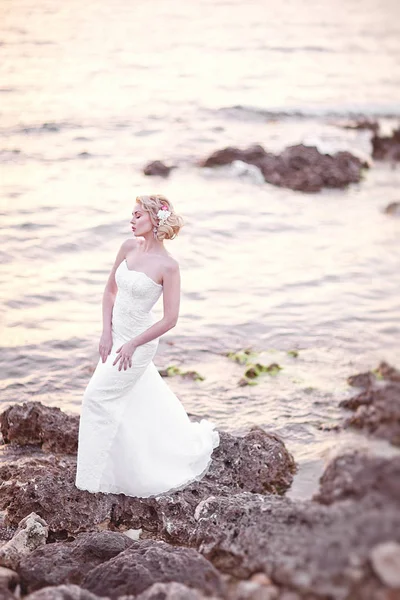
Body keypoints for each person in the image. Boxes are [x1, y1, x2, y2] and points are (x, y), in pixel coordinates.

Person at [75, 194, 220, 498]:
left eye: (138, 215)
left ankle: (90, 481)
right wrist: (105, 333)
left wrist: (132, 344)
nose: (131, 220)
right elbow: (109, 291)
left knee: (95, 398)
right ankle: (121, 468)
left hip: (138, 344)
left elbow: (170, 319)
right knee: (131, 405)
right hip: (115, 336)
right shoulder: (128, 247)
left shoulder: (169, 266)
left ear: (155, 220)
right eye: (132, 214)